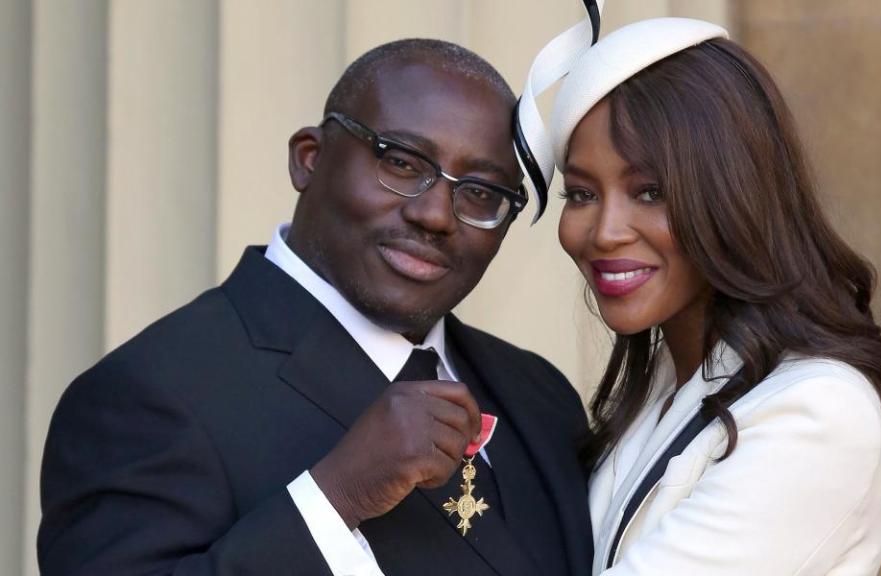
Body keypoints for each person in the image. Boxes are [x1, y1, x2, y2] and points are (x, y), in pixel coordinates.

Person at [38, 39, 592, 576]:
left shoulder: (541, 397)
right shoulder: (145, 396)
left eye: (480, 193)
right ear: (309, 159)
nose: (436, 215)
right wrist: (333, 500)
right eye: (401, 162)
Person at [523, 17, 881, 575]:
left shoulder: (817, 413)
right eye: (581, 193)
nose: (604, 232)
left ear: (733, 196)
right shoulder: (665, 389)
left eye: (650, 191)